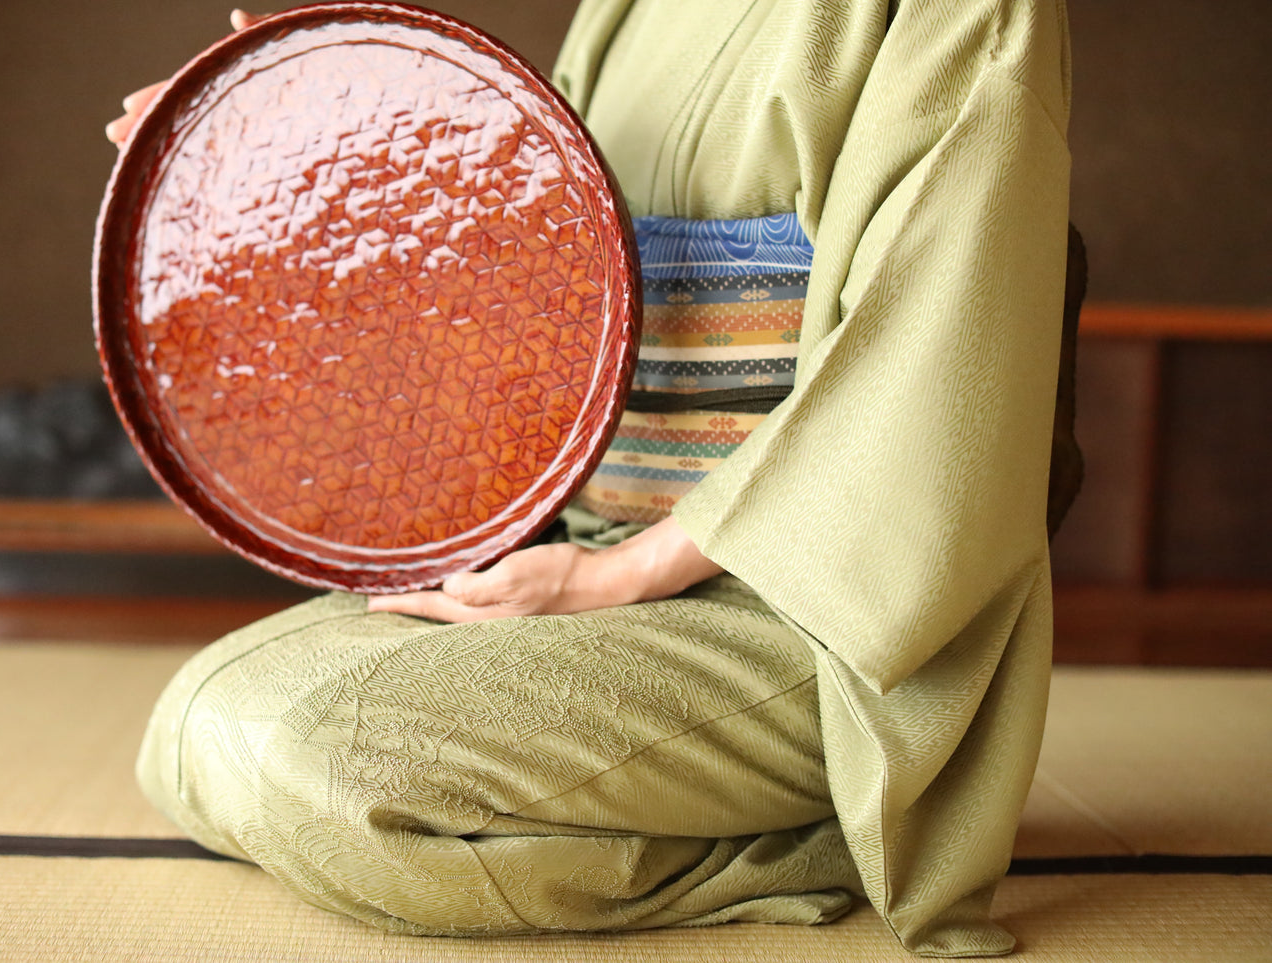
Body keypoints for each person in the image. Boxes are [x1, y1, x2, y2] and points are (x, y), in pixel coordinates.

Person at [109, 1, 1073, 956]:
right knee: (192, 731)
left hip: (802, 610)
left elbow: (928, 362)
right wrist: (316, 148)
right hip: (589, 554)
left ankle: (829, 831)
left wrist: (615, 577)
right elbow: (524, 269)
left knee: (328, 767)